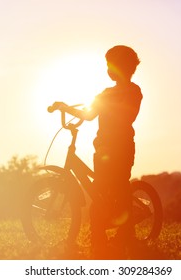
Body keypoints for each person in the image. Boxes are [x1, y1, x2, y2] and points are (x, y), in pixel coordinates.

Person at [51, 45, 142, 258]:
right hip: (110, 148)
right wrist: (69, 108)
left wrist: (70, 107)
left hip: (115, 148)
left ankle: (100, 240)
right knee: (109, 191)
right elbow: (92, 114)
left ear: (120, 67)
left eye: (110, 65)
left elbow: (111, 115)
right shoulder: (116, 92)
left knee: (106, 192)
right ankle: (122, 235)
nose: (108, 69)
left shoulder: (123, 92)